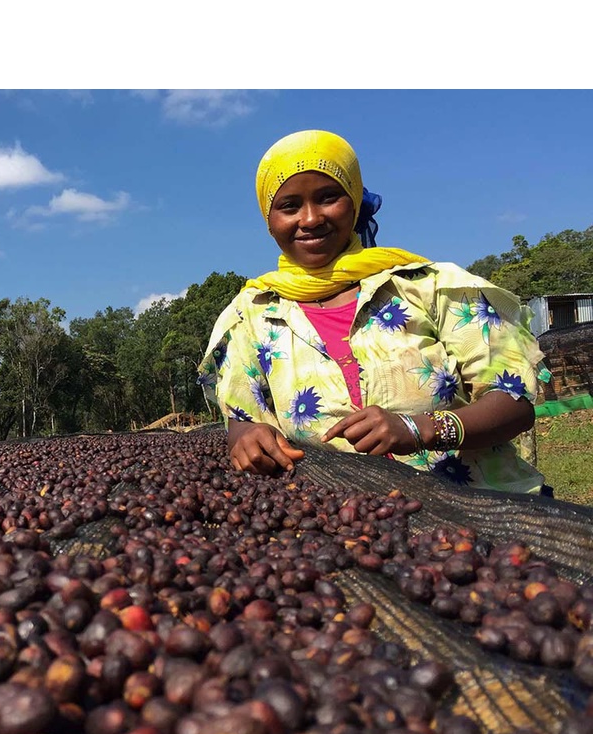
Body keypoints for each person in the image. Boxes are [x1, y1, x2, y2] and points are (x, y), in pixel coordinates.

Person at [199, 129, 550, 494]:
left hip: (484, 509)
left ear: (353, 201)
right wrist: (246, 436)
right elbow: (241, 419)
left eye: (328, 197)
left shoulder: (432, 286)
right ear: (269, 221)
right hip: (344, 522)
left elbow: (512, 401)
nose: (311, 218)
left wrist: (419, 429)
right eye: (289, 206)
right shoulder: (249, 317)